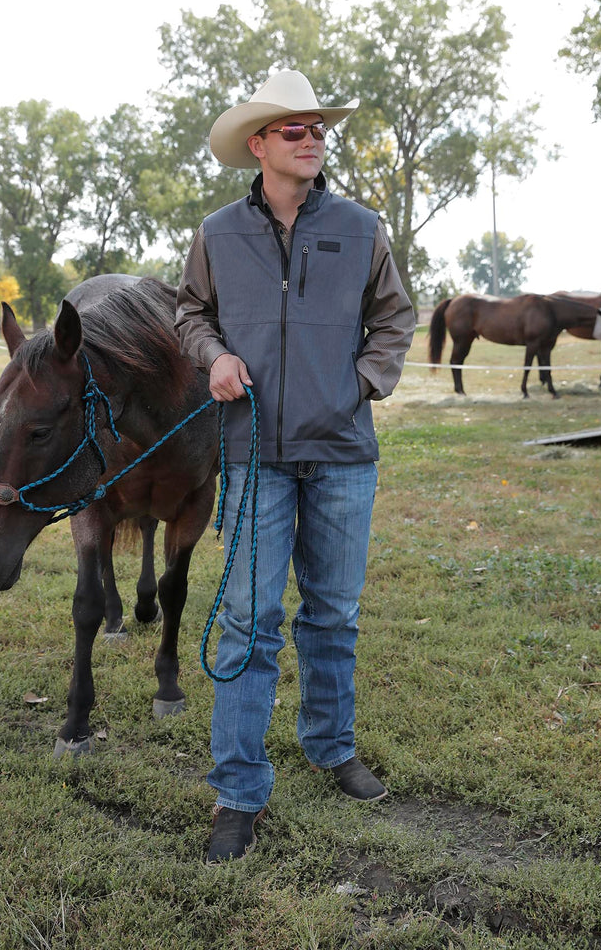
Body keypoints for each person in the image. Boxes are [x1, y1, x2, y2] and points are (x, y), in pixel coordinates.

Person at [175, 69, 415, 863]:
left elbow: (394, 317)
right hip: (253, 455)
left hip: (344, 454)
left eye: (318, 129)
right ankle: (239, 793)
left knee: (333, 616)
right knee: (249, 623)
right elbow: (191, 313)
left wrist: (359, 382)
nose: (312, 139)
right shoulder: (215, 234)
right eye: (294, 129)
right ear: (259, 145)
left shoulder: (361, 226)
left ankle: (331, 747)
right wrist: (213, 355)